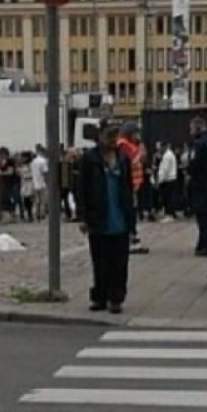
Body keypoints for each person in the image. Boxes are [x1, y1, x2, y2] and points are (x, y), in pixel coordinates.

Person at [76, 121, 136, 314]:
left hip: (119, 216)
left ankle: (116, 297)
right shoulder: (89, 159)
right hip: (99, 216)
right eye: (109, 136)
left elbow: (128, 189)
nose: (112, 141)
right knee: (100, 261)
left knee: (119, 262)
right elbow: (82, 189)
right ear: (100, 137)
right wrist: (83, 216)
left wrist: (132, 222)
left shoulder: (122, 158)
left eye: (115, 137)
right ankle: (99, 296)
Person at [188, 117, 207, 256]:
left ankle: (205, 244)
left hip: (199, 185)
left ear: (198, 128)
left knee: (202, 216)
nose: (191, 132)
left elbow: (194, 164)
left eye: (192, 129)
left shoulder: (198, 144)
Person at [156, 142, 179, 222]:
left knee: (167, 198)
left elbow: (164, 169)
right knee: (168, 197)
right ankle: (170, 213)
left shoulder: (167, 156)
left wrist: (159, 180)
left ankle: (169, 214)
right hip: (170, 179)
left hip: (168, 179)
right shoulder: (168, 154)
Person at [30, 145, 49, 220]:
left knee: (37, 200)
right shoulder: (43, 161)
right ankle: (42, 214)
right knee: (43, 200)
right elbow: (45, 172)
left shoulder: (33, 161)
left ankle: (37, 213)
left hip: (35, 183)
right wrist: (47, 182)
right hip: (42, 183)